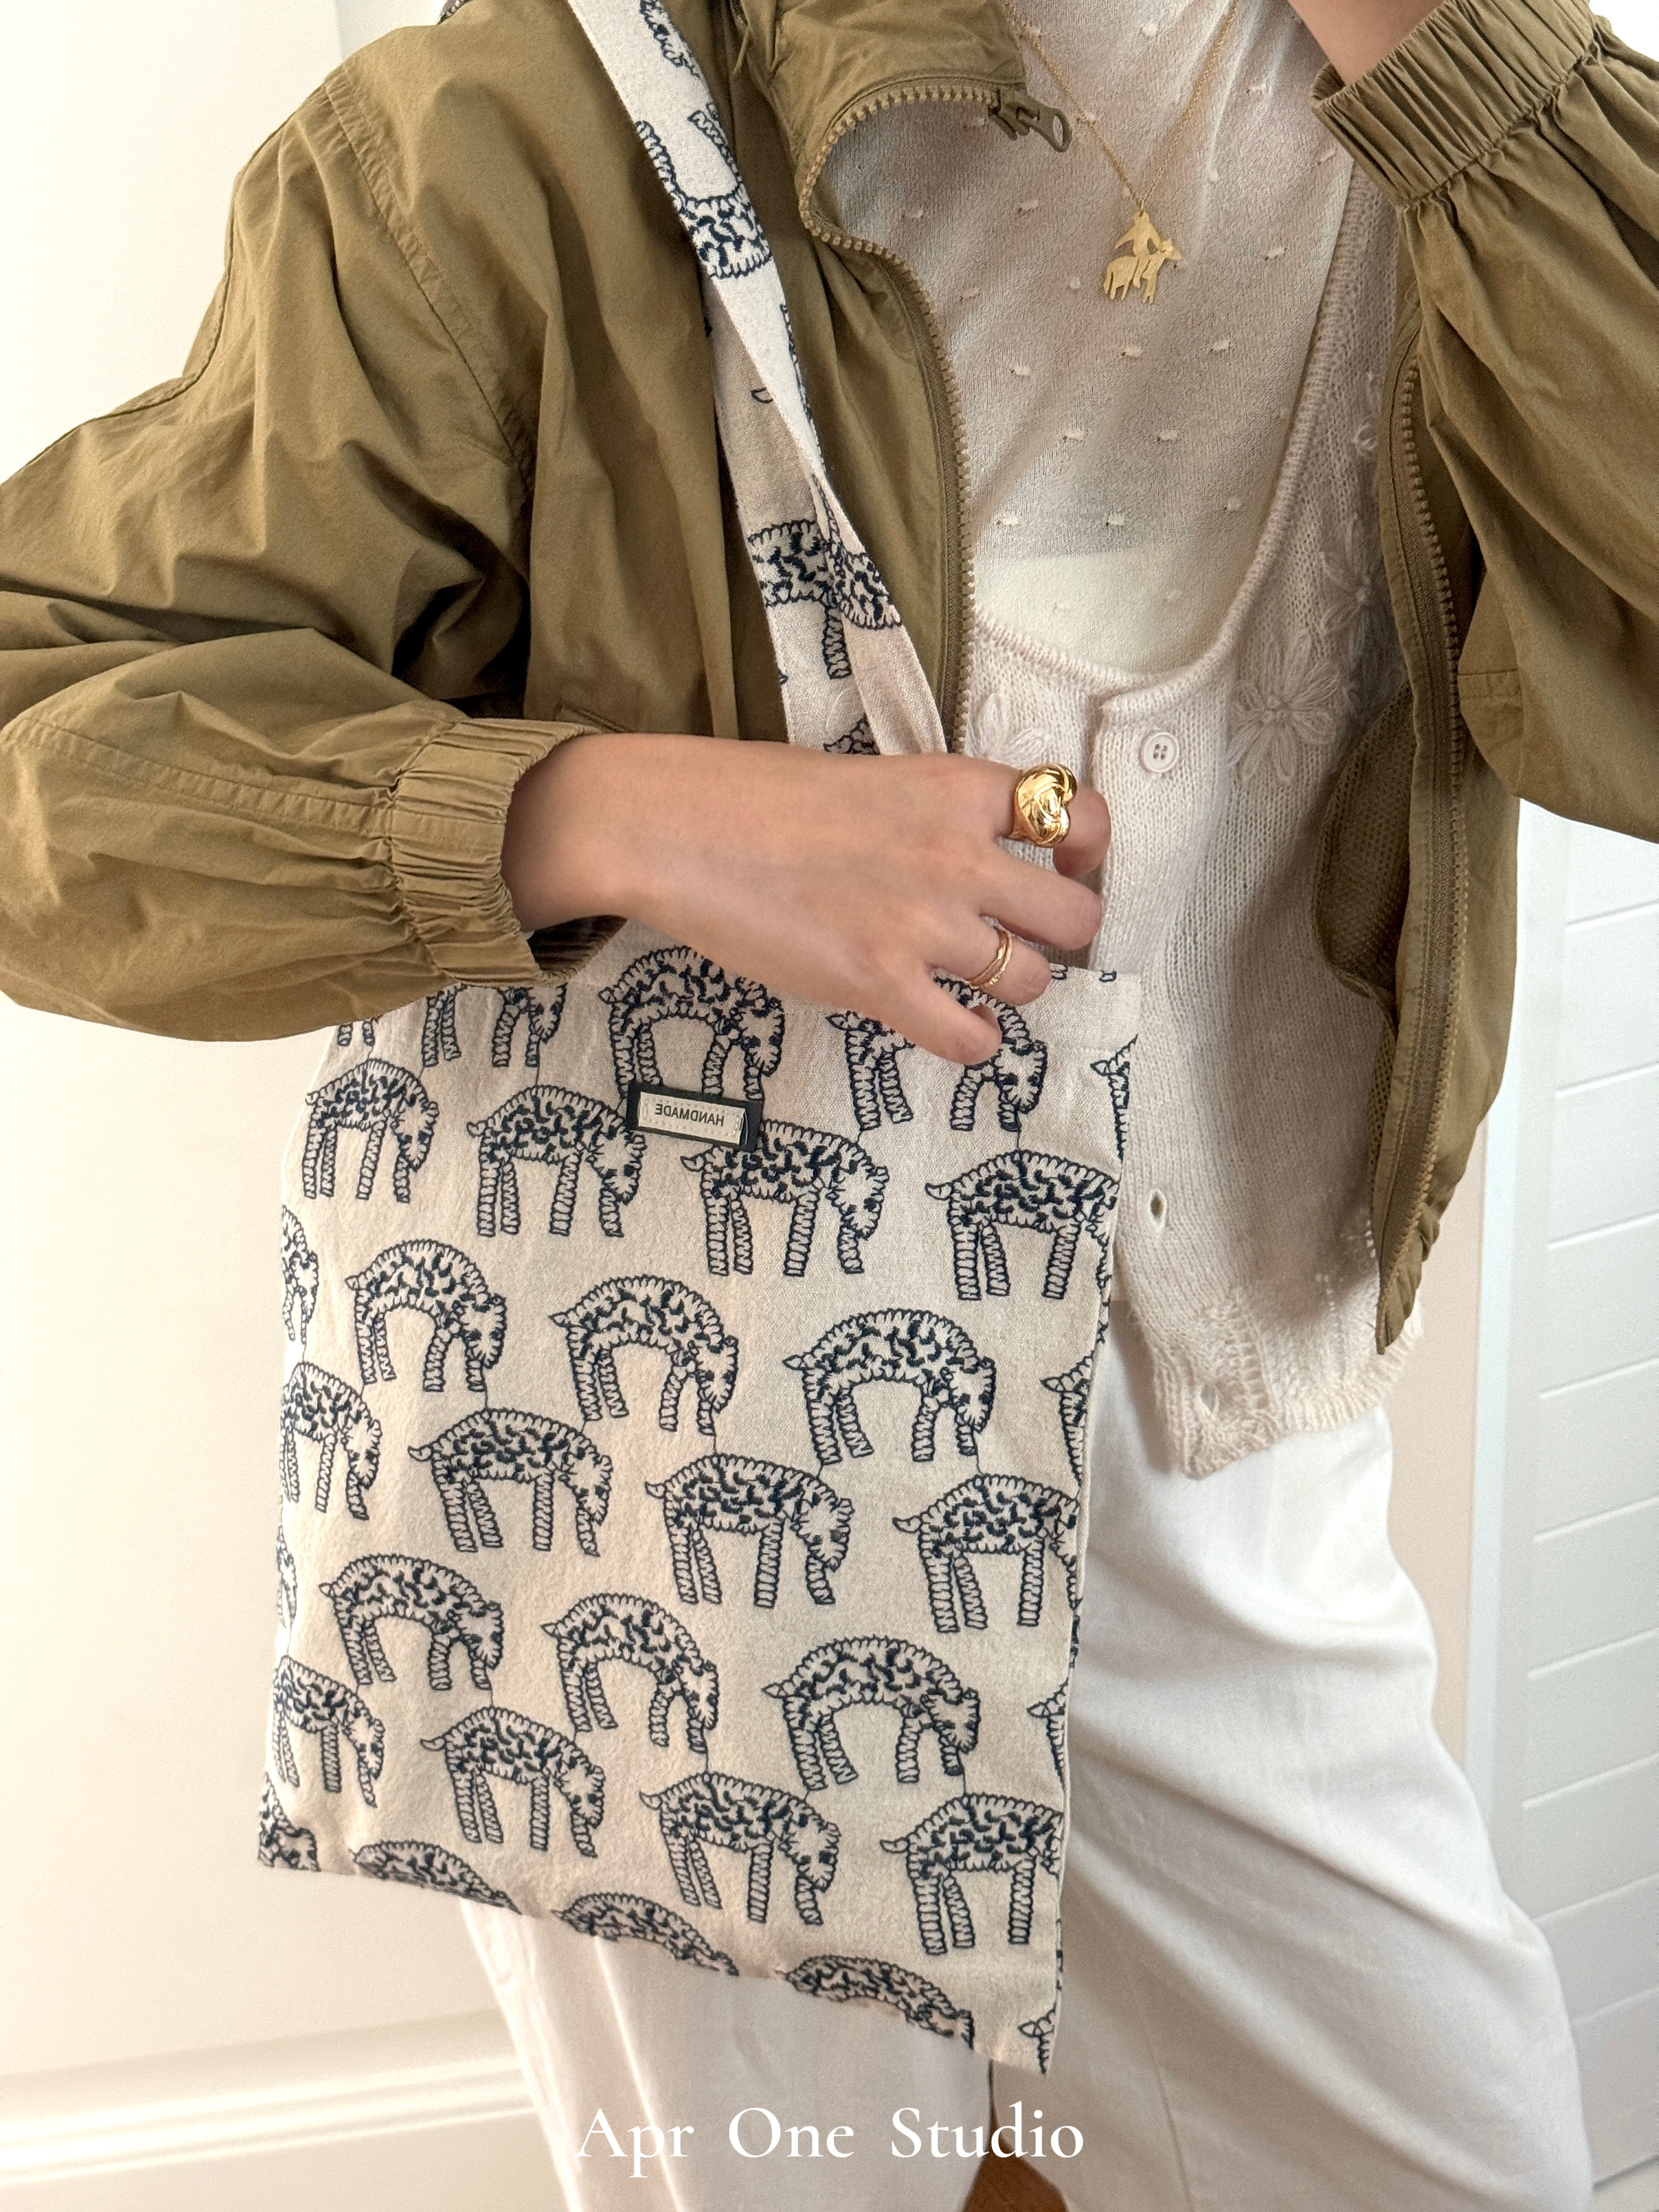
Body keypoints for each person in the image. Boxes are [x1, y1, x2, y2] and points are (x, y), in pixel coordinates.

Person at [1, 0, 1654, 2204]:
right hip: (679, 1512)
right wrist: (613, 815)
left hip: (1227, 1490)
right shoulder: (530, 127)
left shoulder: (1475, 98)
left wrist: (1465, 69)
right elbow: (44, 733)